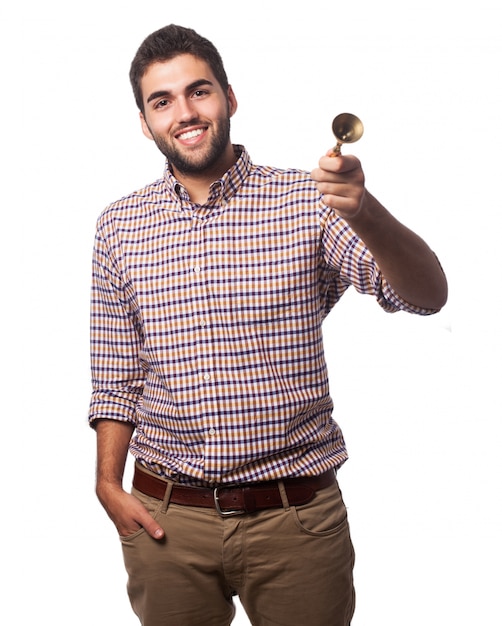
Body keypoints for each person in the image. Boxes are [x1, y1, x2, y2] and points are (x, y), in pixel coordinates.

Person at [89, 24, 447, 626]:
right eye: (162, 101)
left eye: (198, 91)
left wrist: (366, 210)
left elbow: (426, 295)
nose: (185, 113)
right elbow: (117, 373)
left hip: (296, 523)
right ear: (145, 122)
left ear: (230, 98)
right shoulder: (118, 226)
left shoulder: (310, 200)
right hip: (166, 522)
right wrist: (107, 483)